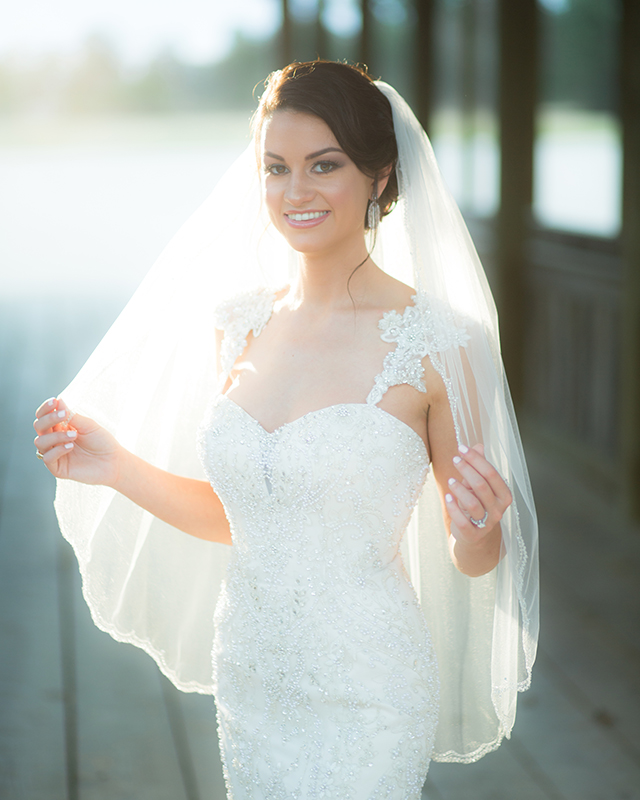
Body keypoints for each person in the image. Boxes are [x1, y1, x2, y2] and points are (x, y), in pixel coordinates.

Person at [33, 61, 538, 799]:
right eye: (276, 169)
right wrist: (115, 465)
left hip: (371, 684)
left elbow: (473, 553)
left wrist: (478, 529)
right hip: (253, 672)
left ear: (380, 175)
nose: (294, 192)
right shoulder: (237, 325)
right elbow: (247, 519)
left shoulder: (439, 342)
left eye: (323, 166)